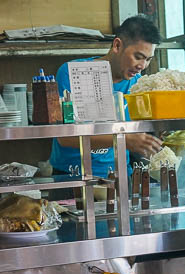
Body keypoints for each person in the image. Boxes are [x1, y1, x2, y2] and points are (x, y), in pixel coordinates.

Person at [48, 14, 164, 177]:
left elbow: (141, 127)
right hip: (72, 176)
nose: (142, 66)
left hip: (120, 177)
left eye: (148, 60)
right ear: (117, 45)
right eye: (138, 57)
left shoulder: (139, 84)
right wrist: (123, 139)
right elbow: (66, 138)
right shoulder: (71, 73)